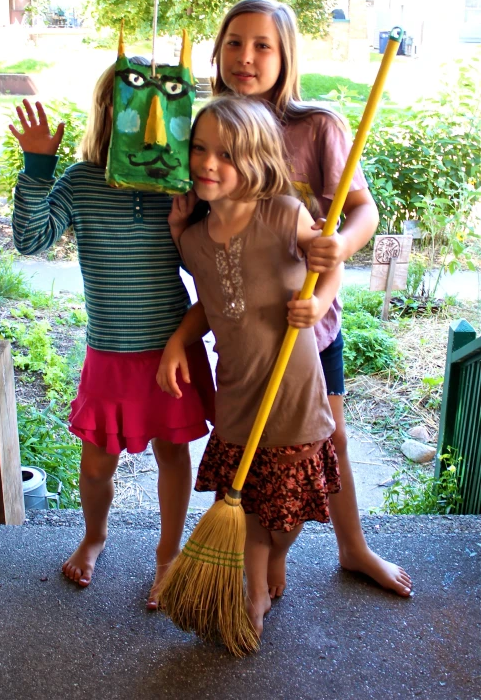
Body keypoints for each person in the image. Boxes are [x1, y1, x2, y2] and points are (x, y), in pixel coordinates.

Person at [164, 0, 412, 598]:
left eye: (263, 45)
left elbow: (362, 210)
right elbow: (204, 243)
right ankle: (262, 564)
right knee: (254, 452)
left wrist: (339, 252)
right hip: (242, 333)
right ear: (218, 51)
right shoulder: (207, 130)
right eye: (234, 43)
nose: (246, 57)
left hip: (310, 323)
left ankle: (352, 546)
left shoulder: (316, 125)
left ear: (286, 55)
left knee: (329, 438)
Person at [10, 64, 215, 607]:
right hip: (110, 354)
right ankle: (95, 536)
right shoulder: (81, 181)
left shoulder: (184, 185)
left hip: (171, 350)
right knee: (96, 464)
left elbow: (208, 270)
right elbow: (30, 240)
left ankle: (169, 554)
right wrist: (37, 165)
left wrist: (185, 221)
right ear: (108, 115)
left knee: (174, 454)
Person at [158, 96, 343, 636]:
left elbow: (327, 260)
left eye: (227, 155)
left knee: (286, 515)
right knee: (246, 504)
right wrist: (177, 343)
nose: (207, 163)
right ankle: (253, 589)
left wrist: (321, 296)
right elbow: (212, 305)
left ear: (258, 160)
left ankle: (275, 558)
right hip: (237, 395)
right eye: (199, 148)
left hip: (294, 394)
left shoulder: (283, 214)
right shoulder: (192, 240)